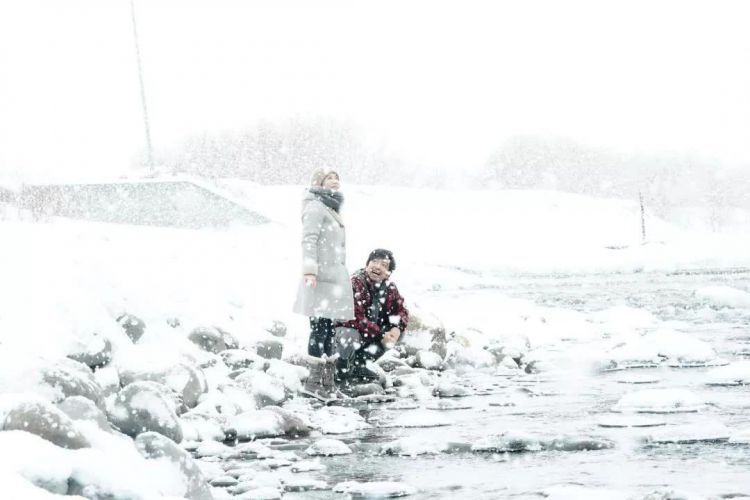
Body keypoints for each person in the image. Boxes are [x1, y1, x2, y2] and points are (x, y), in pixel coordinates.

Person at [293, 168, 355, 359]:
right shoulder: (315, 206)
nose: (335, 181)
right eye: (330, 178)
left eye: (337, 177)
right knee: (319, 329)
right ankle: (315, 377)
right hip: (319, 278)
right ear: (319, 183)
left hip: (332, 279)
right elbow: (309, 239)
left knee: (328, 330)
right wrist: (310, 271)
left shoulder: (330, 207)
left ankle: (326, 377)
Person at [335, 248, 409, 383]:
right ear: (367, 264)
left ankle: (358, 366)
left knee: (396, 334)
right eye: (374, 261)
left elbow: (402, 311)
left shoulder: (390, 288)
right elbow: (353, 317)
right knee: (349, 334)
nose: (377, 266)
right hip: (341, 334)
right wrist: (380, 334)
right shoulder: (354, 283)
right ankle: (340, 370)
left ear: (388, 274)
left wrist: (396, 328)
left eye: (383, 265)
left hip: (368, 334)